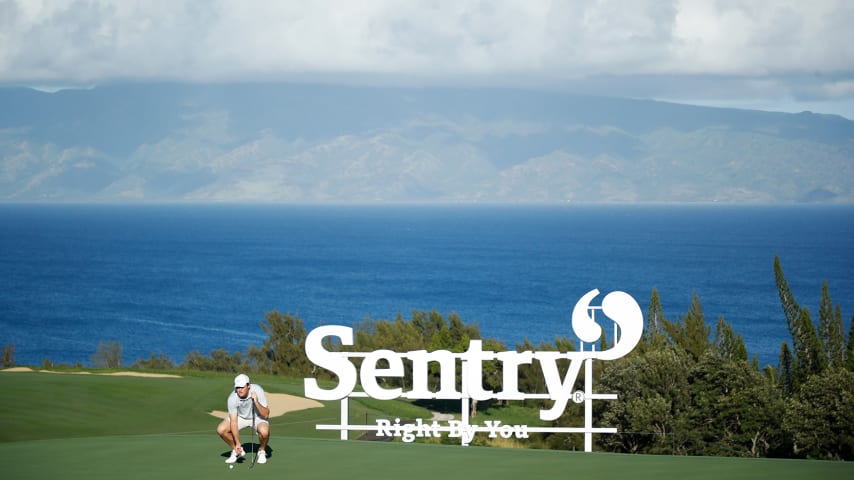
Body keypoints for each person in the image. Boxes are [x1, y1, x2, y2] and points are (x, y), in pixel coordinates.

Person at [216, 373, 271, 464]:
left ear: (248, 386)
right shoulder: (232, 398)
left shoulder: (258, 390)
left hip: (257, 417)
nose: (239, 390)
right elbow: (233, 422)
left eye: (242, 387)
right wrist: (237, 443)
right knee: (221, 429)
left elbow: (266, 414)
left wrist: (256, 402)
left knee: (264, 432)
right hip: (241, 417)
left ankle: (261, 451)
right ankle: (237, 450)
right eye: (237, 387)